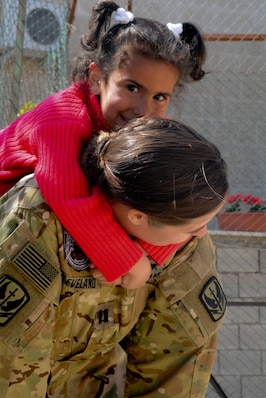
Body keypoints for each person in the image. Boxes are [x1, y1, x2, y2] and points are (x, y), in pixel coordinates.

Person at [0, 116, 228, 398]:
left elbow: (177, 360)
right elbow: (11, 362)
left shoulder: (183, 234)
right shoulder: (38, 221)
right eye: (192, 228)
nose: (201, 233)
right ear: (138, 217)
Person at [0, 0, 206, 289]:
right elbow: (69, 195)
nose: (143, 108)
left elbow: (182, 188)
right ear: (97, 78)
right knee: (44, 191)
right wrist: (127, 259)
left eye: (160, 97)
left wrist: (155, 250)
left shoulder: (145, 127)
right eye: (132, 88)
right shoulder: (61, 118)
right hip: (8, 213)